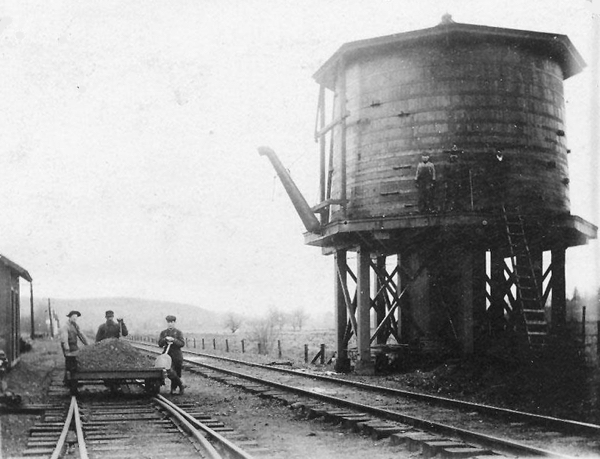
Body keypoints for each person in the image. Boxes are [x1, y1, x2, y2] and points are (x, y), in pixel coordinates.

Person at [158, 315, 186, 395]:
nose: (170, 324)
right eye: (168, 322)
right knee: (170, 372)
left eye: (172, 322)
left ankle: (175, 388)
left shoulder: (178, 332)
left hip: (177, 355)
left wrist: (174, 340)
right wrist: (165, 340)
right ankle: (180, 385)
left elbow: (182, 343)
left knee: (177, 373)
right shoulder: (164, 333)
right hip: (167, 355)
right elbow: (160, 344)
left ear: (174, 323)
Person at [59, 310, 88, 384]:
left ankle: (72, 380)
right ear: (70, 317)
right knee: (69, 362)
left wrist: (87, 344)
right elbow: (64, 339)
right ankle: (69, 381)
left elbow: (81, 335)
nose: (75, 319)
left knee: (75, 362)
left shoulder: (75, 325)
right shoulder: (65, 326)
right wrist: (67, 349)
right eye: (74, 317)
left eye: (76, 317)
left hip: (74, 345)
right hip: (68, 345)